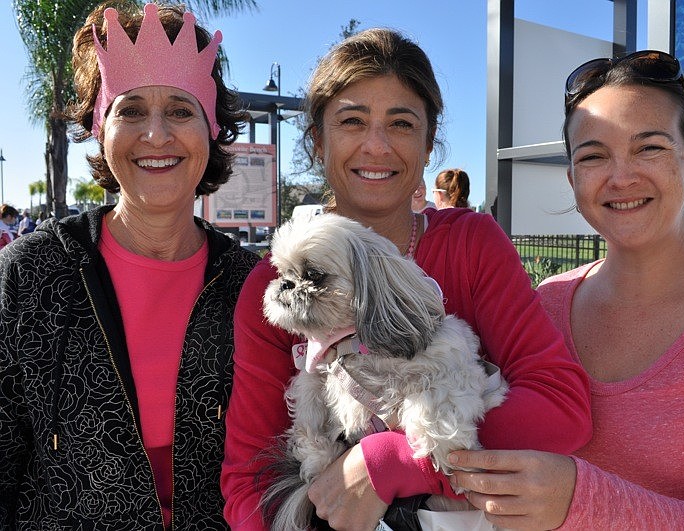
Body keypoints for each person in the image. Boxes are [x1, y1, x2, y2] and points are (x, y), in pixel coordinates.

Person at [221, 28, 592, 530]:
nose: (377, 146)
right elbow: (248, 481)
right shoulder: (277, 284)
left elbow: (561, 408)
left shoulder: (471, 244)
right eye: (352, 121)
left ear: (428, 143)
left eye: (400, 123)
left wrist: (394, 464)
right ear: (317, 140)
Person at [447, 50, 684, 529]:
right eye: (593, 156)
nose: (621, 177)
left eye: (649, 147)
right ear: (573, 180)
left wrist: (580, 502)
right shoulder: (545, 302)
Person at [0, 3, 259, 528]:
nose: (157, 135)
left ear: (212, 128)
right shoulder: (28, 276)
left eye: (182, 110)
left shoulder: (254, 287)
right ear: (101, 128)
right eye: (131, 110)